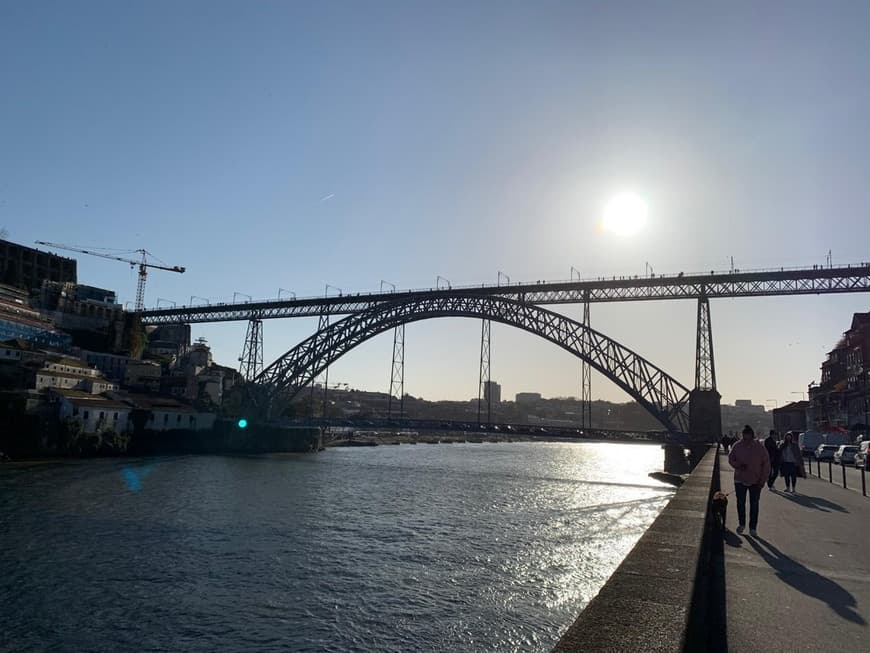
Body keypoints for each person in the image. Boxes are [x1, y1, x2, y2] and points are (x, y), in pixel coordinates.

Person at [728, 425, 771, 536]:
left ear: (752, 436)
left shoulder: (760, 447)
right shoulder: (737, 446)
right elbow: (731, 459)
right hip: (740, 479)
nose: (746, 440)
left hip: (756, 481)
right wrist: (738, 465)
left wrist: (763, 481)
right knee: (740, 503)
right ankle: (742, 524)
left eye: (748, 437)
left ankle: (753, 528)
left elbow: (766, 465)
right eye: (744, 437)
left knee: (754, 504)